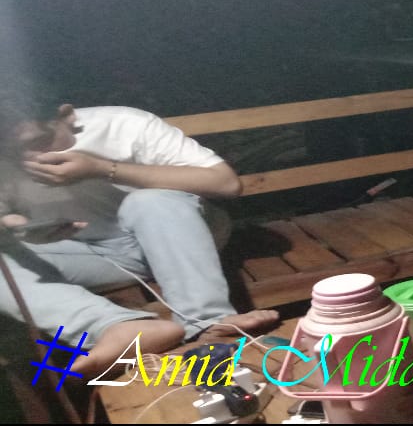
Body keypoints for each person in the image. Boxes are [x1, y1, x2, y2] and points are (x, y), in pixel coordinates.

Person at [0, 89, 278, 377]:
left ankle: (208, 321)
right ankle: (118, 327)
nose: (30, 157)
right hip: (90, 252)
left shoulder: (124, 125)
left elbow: (226, 184)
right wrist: (13, 226)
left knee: (148, 200)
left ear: (67, 116)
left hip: (176, 236)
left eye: (37, 142)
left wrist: (101, 168)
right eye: (13, 150)